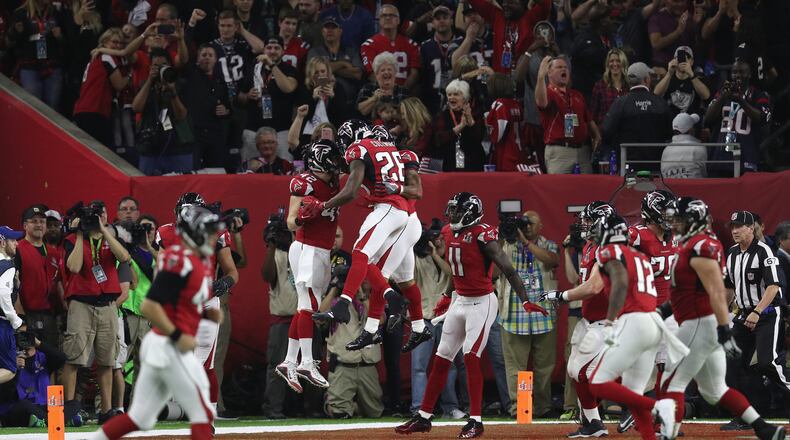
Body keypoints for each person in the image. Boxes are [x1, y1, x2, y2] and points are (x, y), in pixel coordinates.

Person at [395, 192, 547, 438]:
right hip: (459, 301)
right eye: (452, 209)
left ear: (470, 212)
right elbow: (457, 271)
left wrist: (526, 300)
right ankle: (423, 416)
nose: (452, 214)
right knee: (442, 358)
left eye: (457, 210)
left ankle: (476, 421)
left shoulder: (483, 235)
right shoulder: (447, 231)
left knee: (471, 357)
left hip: (482, 302)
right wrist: (446, 295)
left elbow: (508, 269)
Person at [91, 206, 224, 440]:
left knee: (140, 418)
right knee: (201, 410)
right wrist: (177, 335)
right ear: (195, 232)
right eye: (209, 231)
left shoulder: (199, 261)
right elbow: (149, 306)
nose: (215, 237)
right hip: (167, 346)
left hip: (165, 347)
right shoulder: (179, 260)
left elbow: (181, 305)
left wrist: (206, 316)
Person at [658, 197, 786, 440]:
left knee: (671, 382)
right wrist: (665, 311)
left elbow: (716, 291)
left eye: (679, 219)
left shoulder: (701, 246)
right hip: (716, 319)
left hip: (707, 321)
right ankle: (763, 428)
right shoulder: (717, 248)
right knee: (716, 388)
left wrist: (725, 325)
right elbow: (712, 289)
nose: (674, 224)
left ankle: (666, 433)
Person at [583, 213, 681, 440]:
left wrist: (609, 322)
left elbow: (620, 282)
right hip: (653, 323)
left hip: (633, 322)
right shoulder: (640, 256)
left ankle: (658, 407)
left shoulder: (610, 252)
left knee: (597, 382)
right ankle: (649, 434)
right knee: (632, 391)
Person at [310, 120, 412, 325]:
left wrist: (322, 206)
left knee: (359, 253)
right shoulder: (385, 144)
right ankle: (393, 298)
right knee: (368, 263)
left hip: (388, 207)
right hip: (399, 209)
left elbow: (350, 192)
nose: (344, 145)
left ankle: (342, 306)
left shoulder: (358, 148)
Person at [155, 193, 239, 419]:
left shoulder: (217, 233)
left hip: (206, 303)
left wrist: (223, 283)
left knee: (204, 364)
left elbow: (232, 272)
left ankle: (207, 417)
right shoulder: (166, 232)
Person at [344, 145, 432, 354]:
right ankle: (419, 327)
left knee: (377, 272)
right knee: (405, 280)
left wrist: (398, 189)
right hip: (404, 220)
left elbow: (417, 191)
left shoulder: (404, 158)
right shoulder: (382, 159)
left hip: (406, 220)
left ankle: (372, 329)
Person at [542, 201, 613, 438]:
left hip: (607, 321)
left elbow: (593, 287)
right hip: (589, 318)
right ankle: (592, 422)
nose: (585, 225)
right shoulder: (591, 246)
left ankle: (637, 403)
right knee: (574, 371)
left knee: (585, 372)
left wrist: (561, 295)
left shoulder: (609, 249)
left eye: (589, 220)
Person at [275, 140, 342, 392]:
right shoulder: (304, 182)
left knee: (305, 306)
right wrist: (304, 215)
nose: (337, 164)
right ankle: (306, 362)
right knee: (309, 305)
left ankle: (290, 361)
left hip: (321, 249)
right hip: (307, 248)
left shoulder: (332, 182)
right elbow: (291, 222)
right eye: (333, 159)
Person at [62, 201, 131, 424]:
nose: (93, 220)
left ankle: (106, 411)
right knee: (74, 358)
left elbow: (124, 258)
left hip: (108, 305)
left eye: (98, 216)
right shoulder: (72, 240)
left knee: (106, 360)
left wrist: (103, 231)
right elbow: (73, 267)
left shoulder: (110, 240)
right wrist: (81, 234)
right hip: (81, 304)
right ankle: (70, 408)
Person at [723, 211, 790, 419]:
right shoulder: (732, 253)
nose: (735, 230)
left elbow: (773, 286)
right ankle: (747, 416)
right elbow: (729, 287)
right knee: (731, 364)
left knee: (767, 362)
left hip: (767, 314)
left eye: (739, 226)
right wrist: (723, 315)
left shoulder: (765, 252)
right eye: (732, 227)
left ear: (751, 228)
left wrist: (757, 311)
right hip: (743, 316)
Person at [495, 210, 559, 418]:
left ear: (540, 226)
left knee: (544, 368)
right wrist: (502, 239)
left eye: (531, 224)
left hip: (544, 315)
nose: (527, 227)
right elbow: (493, 273)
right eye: (524, 224)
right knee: (517, 369)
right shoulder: (505, 246)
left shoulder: (548, 245)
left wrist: (524, 242)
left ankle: (543, 408)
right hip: (514, 316)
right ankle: (520, 409)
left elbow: (552, 260)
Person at [408, 221, 466, 419]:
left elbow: (452, 274)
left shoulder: (451, 258)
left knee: (448, 365)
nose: (437, 243)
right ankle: (420, 408)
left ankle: (450, 407)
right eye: (433, 240)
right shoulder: (418, 258)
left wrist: (435, 254)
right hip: (423, 319)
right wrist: (425, 251)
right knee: (419, 367)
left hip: (445, 319)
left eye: (440, 239)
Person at [320, 280, 384, 418]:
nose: (362, 284)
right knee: (339, 414)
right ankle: (334, 401)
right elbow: (319, 316)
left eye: (366, 280)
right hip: (343, 365)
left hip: (367, 365)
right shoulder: (336, 302)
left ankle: (354, 406)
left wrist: (362, 296)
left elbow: (381, 320)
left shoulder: (374, 299)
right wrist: (334, 288)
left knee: (375, 413)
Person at [260, 209, 298, 419]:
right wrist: (272, 245)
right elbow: (267, 276)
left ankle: (311, 407)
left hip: (305, 317)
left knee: (311, 364)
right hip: (282, 319)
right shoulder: (275, 253)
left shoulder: (300, 249)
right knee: (277, 365)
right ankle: (273, 408)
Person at [601, 62, 672, 173]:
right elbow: (670, 132)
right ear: (646, 80)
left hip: (628, 166)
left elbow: (606, 131)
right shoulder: (660, 103)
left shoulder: (620, 103)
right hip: (656, 167)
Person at [132, 48, 193, 176]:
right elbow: (136, 107)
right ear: (150, 67)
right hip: (150, 147)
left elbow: (181, 115)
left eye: (163, 65)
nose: (160, 69)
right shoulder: (146, 85)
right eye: (155, 65)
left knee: (181, 188)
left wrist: (173, 92)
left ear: (170, 66)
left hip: (178, 146)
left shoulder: (181, 84)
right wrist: (149, 81)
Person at [536, 56, 601, 174]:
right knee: (559, 190)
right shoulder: (549, 93)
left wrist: (596, 135)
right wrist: (540, 77)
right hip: (560, 152)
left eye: (566, 67)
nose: (564, 70)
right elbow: (541, 102)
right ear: (549, 73)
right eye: (559, 67)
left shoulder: (577, 95)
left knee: (587, 189)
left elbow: (588, 119)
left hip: (583, 151)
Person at [704, 59, 771, 175]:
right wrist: (723, 97)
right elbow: (707, 119)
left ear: (749, 74)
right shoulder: (722, 94)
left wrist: (740, 100)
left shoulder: (758, 95)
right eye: (734, 72)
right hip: (720, 157)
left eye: (742, 72)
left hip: (746, 156)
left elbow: (762, 119)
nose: (737, 75)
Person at [73, 28, 131, 147]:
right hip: (95, 111)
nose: (118, 46)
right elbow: (119, 84)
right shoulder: (106, 57)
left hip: (83, 110)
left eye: (120, 43)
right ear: (104, 42)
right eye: (114, 42)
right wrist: (131, 75)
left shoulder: (95, 59)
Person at [246, 36, 300, 161]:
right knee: (250, 171)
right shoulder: (253, 69)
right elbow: (239, 97)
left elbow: (288, 88)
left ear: (283, 51)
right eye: (269, 48)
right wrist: (247, 95)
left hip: (282, 129)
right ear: (264, 50)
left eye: (276, 48)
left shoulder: (289, 69)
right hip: (254, 128)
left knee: (284, 169)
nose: (272, 51)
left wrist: (272, 65)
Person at [15, 205, 60, 349]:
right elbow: (12, 286)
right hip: (27, 315)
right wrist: (20, 320)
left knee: (52, 361)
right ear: (25, 225)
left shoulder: (54, 253)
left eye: (42, 221)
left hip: (50, 316)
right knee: (28, 362)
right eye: (34, 221)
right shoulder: (17, 249)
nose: (39, 225)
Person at [7, 0, 65, 111]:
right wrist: (16, 31)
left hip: (52, 66)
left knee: (52, 110)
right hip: (30, 66)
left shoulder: (55, 12)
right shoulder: (22, 13)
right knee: (33, 109)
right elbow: (10, 42)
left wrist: (60, 36)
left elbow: (66, 42)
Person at [183, 44, 233, 172]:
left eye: (210, 55)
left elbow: (229, 108)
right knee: (193, 173)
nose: (207, 58)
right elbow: (184, 58)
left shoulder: (220, 81)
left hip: (215, 135)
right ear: (198, 59)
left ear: (216, 59)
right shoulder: (191, 75)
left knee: (215, 173)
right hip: (195, 134)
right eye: (204, 55)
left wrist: (225, 110)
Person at [466, 0, 550, 74]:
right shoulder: (497, 16)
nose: (505, 5)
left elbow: (545, 4)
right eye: (504, 2)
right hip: (501, 83)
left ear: (523, 3)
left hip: (525, 81)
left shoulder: (531, 17)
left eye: (511, 2)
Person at [307, 17, 364, 110]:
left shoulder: (351, 51)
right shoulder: (315, 52)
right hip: (320, 100)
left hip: (349, 102)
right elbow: (311, 71)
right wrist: (343, 63)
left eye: (333, 27)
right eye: (326, 27)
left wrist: (328, 69)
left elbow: (357, 73)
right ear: (322, 31)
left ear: (340, 31)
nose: (329, 30)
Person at [360, 5, 420, 90]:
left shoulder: (412, 45)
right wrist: (388, 90)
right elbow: (371, 74)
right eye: (384, 15)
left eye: (392, 15)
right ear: (379, 20)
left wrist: (401, 91)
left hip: (405, 93)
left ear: (398, 20)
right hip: (379, 93)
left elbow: (414, 74)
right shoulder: (369, 45)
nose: (388, 18)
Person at [432, 79, 486, 172]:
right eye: (449, 94)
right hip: (449, 164)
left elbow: (479, 137)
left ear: (465, 98)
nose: (451, 97)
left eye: (456, 94)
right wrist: (460, 127)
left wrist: (470, 121)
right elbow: (438, 140)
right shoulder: (442, 115)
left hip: (473, 164)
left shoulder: (475, 113)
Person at [419, 6, 460, 115]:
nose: (441, 21)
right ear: (432, 23)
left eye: (445, 17)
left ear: (451, 21)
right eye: (437, 18)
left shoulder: (461, 44)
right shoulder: (425, 47)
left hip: (458, 100)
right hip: (432, 103)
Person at [295, 57, 350, 134]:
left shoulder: (337, 88)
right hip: (309, 133)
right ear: (310, 74)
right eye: (316, 72)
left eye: (323, 71)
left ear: (328, 72)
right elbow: (303, 117)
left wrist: (333, 97)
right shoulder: (305, 89)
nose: (320, 75)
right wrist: (313, 99)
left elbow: (343, 115)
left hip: (333, 131)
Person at [653, 46, 710, 117]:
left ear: (692, 62)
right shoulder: (668, 78)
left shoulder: (698, 78)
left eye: (687, 58)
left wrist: (691, 75)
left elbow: (706, 96)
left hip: (691, 122)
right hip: (671, 121)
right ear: (674, 60)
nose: (684, 61)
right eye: (680, 58)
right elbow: (655, 95)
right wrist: (669, 73)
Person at [0, 225, 25, 387]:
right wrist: (15, 320)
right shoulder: (7, 266)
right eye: (12, 240)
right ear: (2, 242)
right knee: (10, 369)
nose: (16, 243)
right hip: (2, 324)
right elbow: (2, 294)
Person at [486, 73, 525, 172]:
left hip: (505, 157)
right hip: (519, 154)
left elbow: (497, 135)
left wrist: (487, 121)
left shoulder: (499, 104)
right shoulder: (516, 104)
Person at [647, 0, 699, 69]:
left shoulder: (689, 18)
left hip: (685, 69)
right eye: (676, 1)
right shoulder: (656, 18)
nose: (680, 4)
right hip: (663, 68)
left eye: (683, 1)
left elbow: (696, 45)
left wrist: (697, 25)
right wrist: (678, 32)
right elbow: (656, 44)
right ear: (665, 1)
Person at [357, 52, 409, 118]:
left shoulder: (403, 91)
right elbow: (362, 111)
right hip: (372, 127)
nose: (386, 72)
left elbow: (408, 115)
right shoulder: (368, 88)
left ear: (395, 72)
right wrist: (373, 99)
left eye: (389, 69)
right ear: (376, 74)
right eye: (382, 70)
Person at [590, 49, 629, 128]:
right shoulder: (599, 86)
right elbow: (592, 116)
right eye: (611, 61)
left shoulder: (630, 86)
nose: (615, 64)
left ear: (623, 63)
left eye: (618, 61)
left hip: (626, 134)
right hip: (605, 134)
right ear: (608, 64)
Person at [661, 113, 707, 178]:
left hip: (671, 187)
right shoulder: (699, 148)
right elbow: (705, 174)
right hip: (696, 187)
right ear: (691, 130)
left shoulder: (665, 151)